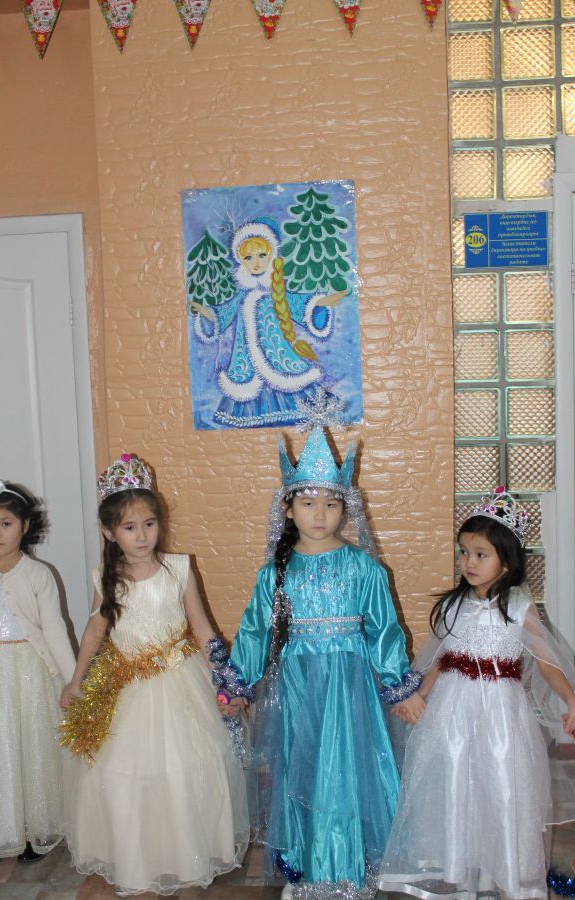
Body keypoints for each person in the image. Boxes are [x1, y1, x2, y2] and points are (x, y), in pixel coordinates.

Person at [226, 426, 424, 899]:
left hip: (351, 687)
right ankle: (310, 866)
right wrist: (237, 684)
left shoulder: (364, 568)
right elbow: (254, 631)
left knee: (346, 771)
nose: (320, 514)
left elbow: (384, 630)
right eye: (308, 502)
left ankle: (346, 870)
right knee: (305, 769)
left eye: (331, 504)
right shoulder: (274, 574)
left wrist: (398, 685)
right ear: (288, 508)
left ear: (345, 508)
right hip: (299, 686)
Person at [60, 453, 250, 897]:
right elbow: (94, 633)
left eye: (149, 523)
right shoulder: (105, 578)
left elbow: (202, 628)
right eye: (129, 527)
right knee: (122, 772)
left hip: (181, 682)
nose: (142, 535)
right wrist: (76, 680)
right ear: (109, 532)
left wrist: (225, 679)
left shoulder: (178, 569)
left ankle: (186, 855)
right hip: (128, 689)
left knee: (185, 768)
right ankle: (140, 858)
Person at [378, 486, 575, 900]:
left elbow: (547, 662)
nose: (468, 562)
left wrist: (571, 698)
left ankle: (501, 868)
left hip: (501, 711)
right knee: (455, 779)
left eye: (481, 554)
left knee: (501, 781)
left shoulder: (519, 608)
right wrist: (421, 695)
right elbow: (440, 659)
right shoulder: (454, 606)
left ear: (507, 562)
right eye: (464, 552)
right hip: (453, 708)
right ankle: (458, 866)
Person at [0, 479, 75, 863]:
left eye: (6, 524)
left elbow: (55, 630)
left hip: (30, 676)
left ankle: (35, 829)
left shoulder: (38, 574)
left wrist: (73, 681)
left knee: (32, 751)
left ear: (25, 526)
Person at [190, 218, 347, 428]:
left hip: (278, 356)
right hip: (246, 361)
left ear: (271, 256)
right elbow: (221, 315)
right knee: (246, 388)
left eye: (261, 255)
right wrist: (203, 312)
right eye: (248, 257)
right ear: (240, 261)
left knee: (288, 381)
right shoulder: (241, 297)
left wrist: (321, 303)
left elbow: (301, 305)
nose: (256, 262)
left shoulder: (276, 293)